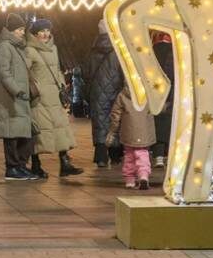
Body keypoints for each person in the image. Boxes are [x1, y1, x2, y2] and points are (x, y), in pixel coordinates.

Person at [24, 19, 83, 178]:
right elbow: (24, 72)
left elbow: (57, 70)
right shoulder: (29, 50)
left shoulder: (53, 48)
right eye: (41, 31)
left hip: (55, 96)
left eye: (47, 30)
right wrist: (34, 88)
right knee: (40, 132)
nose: (45, 34)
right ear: (35, 33)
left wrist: (62, 86)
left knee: (61, 128)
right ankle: (36, 165)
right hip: (40, 98)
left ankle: (65, 163)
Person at [0, 13, 38, 180]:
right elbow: (4, 72)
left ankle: (20, 166)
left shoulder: (17, 47)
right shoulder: (4, 46)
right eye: (19, 29)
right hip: (10, 98)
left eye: (23, 29)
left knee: (25, 133)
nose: (22, 32)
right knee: (11, 134)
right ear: (11, 30)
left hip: (20, 98)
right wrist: (17, 90)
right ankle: (12, 168)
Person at [88, 19, 125, 168]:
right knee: (116, 120)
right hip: (116, 89)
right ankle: (115, 154)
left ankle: (101, 157)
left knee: (100, 121)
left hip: (97, 91)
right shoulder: (119, 49)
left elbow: (87, 71)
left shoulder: (93, 48)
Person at [106, 85, 156, 190]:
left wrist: (113, 131)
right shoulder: (149, 93)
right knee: (143, 153)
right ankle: (143, 175)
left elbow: (115, 114)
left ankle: (130, 180)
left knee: (129, 154)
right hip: (144, 130)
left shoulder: (123, 95)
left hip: (128, 130)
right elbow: (159, 107)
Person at [150, 31, 175, 168]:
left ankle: (158, 156)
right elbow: (172, 75)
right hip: (171, 94)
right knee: (170, 125)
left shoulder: (152, 50)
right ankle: (169, 156)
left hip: (155, 93)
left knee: (157, 124)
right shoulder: (174, 52)